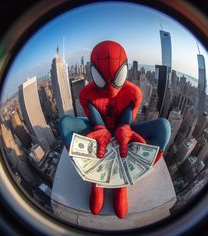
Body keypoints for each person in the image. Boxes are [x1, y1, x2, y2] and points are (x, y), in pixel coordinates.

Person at [59, 40, 171, 219]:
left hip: (123, 131)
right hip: (98, 130)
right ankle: (95, 177)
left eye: (117, 78)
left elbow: (127, 116)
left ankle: (125, 179)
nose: (110, 88)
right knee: (65, 123)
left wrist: (125, 129)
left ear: (125, 70)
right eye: (101, 79)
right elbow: (95, 117)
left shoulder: (133, 92)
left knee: (164, 128)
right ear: (92, 71)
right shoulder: (86, 93)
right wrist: (100, 129)